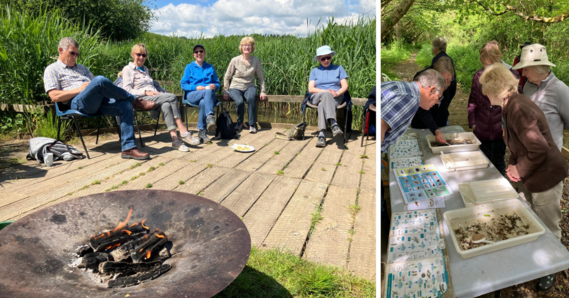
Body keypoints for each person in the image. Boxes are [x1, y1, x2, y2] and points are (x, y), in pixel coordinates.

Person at [479, 63, 568, 291]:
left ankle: (551, 268)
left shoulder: (518, 108)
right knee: (531, 215)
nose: (483, 94)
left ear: (495, 89)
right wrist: (513, 165)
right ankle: (536, 256)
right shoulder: (510, 106)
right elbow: (517, 144)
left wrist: (520, 169)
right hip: (533, 172)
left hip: (546, 175)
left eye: (485, 89)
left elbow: (539, 149)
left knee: (548, 223)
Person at [44, 37, 153, 160]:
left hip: (97, 101)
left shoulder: (82, 68)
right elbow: (54, 96)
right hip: (77, 102)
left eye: (77, 54)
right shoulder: (52, 69)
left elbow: (96, 87)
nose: (75, 56)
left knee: (125, 106)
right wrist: (79, 90)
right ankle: (135, 100)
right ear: (60, 50)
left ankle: (128, 148)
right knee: (100, 80)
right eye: (72, 53)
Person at [378, 69, 446, 224]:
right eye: (438, 98)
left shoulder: (404, 87)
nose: (437, 103)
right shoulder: (411, 99)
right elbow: (381, 124)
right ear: (431, 90)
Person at [121, 43, 200, 152]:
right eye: (138, 54)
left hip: (154, 96)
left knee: (167, 105)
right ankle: (183, 131)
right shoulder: (128, 69)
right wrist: (146, 92)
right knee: (172, 97)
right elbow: (127, 90)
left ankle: (175, 141)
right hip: (142, 99)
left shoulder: (145, 69)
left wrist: (158, 91)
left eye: (144, 55)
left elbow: (152, 85)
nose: (141, 57)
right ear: (133, 54)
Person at [468, 41, 520, 176]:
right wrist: (473, 123)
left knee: (498, 162)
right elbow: (472, 100)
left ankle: (500, 189)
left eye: (489, 64)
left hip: (500, 130)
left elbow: (517, 103)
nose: (486, 67)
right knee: (482, 162)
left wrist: (509, 128)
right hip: (481, 128)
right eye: (484, 64)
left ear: (498, 61)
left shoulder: (511, 76)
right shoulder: (479, 76)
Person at [513, 43, 569, 151]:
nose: (523, 74)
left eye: (526, 69)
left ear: (539, 68)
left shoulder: (560, 90)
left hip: (548, 159)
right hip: (526, 154)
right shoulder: (528, 86)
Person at [223, 36, 267, 134]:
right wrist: (225, 91)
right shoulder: (235, 60)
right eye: (245, 45)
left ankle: (252, 124)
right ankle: (240, 123)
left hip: (249, 86)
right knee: (239, 102)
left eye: (249, 45)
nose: (247, 47)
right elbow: (227, 76)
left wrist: (263, 91)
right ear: (241, 47)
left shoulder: (256, 61)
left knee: (251, 98)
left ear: (252, 47)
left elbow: (261, 78)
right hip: (235, 87)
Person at [308, 45, 349, 148]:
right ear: (319, 59)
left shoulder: (339, 68)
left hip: (335, 98)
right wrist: (326, 91)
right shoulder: (314, 71)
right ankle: (333, 123)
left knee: (322, 105)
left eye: (328, 57)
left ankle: (321, 135)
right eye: (323, 58)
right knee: (325, 95)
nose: (326, 60)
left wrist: (338, 93)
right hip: (317, 96)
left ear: (331, 57)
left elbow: (345, 86)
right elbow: (311, 89)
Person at [181, 45, 221, 144]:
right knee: (207, 92)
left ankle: (202, 132)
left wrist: (214, 86)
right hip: (193, 94)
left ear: (204, 53)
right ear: (194, 55)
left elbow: (217, 83)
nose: (199, 53)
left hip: (207, 96)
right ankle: (210, 117)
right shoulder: (189, 67)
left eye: (201, 51)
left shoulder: (210, 67)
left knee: (204, 101)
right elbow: (183, 84)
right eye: (196, 52)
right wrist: (195, 87)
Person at [411, 56, 456, 144]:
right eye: (443, 80)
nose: (446, 84)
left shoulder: (452, 83)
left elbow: (448, 99)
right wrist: (435, 130)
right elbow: (423, 111)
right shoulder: (423, 81)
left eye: (449, 80)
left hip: (441, 123)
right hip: (421, 124)